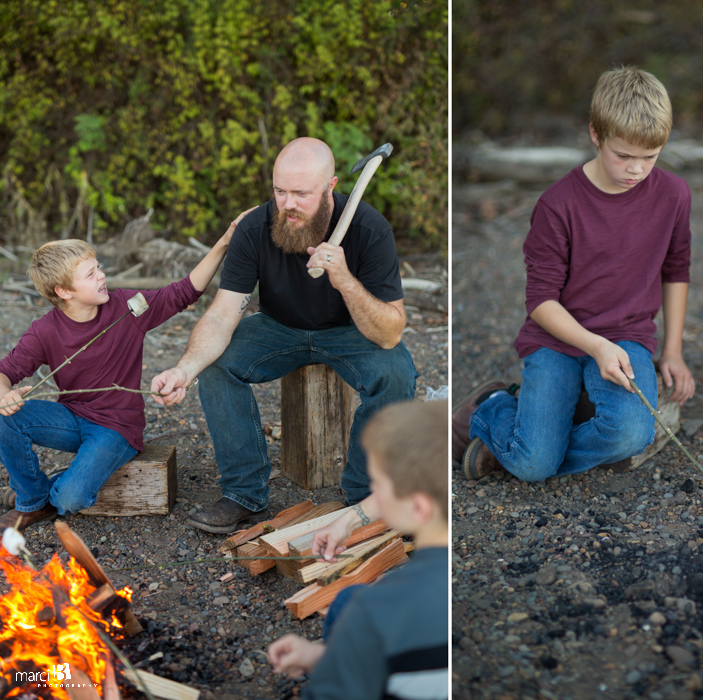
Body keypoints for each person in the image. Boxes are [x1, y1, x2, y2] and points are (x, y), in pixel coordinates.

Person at [151, 137, 418, 533]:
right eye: (280, 191)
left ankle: (365, 495)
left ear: (330, 187)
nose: (288, 203)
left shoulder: (369, 228)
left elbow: (391, 331)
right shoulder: (256, 227)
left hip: (350, 332)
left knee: (397, 374)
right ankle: (244, 493)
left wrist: (344, 280)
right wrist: (185, 369)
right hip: (278, 328)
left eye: (301, 193)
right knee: (216, 364)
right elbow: (224, 312)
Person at [452, 66, 694, 482]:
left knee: (632, 434)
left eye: (649, 158)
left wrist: (671, 351)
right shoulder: (557, 205)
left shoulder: (673, 195)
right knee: (533, 466)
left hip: (627, 337)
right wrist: (595, 347)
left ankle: (519, 444)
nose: (636, 170)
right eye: (623, 156)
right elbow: (540, 302)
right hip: (557, 340)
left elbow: (676, 270)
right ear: (596, 135)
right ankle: (492, 407)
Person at [0, 213, 250, 531]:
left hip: (116, 428)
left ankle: (56, 489)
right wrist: (4, 395)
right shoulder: (45, 331)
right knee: (4, 417)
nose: (102, 276)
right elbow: (5, 371)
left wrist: (225, 241)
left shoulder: (128, 306)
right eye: (91, 274)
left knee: (69, 500)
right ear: (64, 291)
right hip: (72, 419)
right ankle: (32, 501)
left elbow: (184, 292)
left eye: (99, 267)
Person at [267, 399, 448, 700]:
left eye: (377, 484)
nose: (373, 495)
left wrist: (334, 665)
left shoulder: (374, 613)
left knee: (349, 605)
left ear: (418, 507)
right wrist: (348, 522)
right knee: (346, 601)